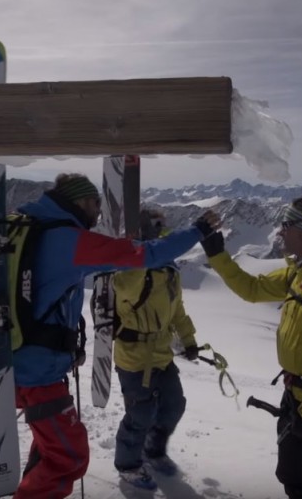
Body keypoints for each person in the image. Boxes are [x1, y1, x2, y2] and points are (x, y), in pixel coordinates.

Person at [12, 173, 219, 498]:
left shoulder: (36, 230)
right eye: (95, 203)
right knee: (69, 456)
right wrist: (197, 230)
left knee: (50, 449)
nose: (98, 214)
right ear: (80, 201)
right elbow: (141, 256)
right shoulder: (68, 240)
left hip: (24, 361)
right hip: (36, 372)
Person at [200, 194, 302, 499]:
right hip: (296, 397)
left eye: (286, 225)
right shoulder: (301, 271)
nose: (280, 231)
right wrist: (217, 255)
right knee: (295, 481)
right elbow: (252, 290)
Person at [111, 208, 201, 490]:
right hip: (134, 354)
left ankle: (153, 449)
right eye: (158, 228)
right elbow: (124, 290)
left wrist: (189, 340)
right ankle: (128, 465)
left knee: (174, 405)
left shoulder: (170, 270)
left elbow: (178, 311)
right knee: (140, 414)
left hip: (161, 352)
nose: (164, 232)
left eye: (164, 227)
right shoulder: (130, 269)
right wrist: (141, 254)